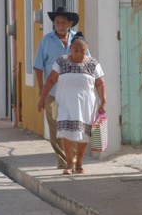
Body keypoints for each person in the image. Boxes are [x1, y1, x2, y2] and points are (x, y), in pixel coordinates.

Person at [37, 32, 106, 175]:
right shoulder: (61, 62)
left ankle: (79, 163)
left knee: (83, 134)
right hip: (65, 103)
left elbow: (100, 83)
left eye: (82, 50)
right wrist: (42, 98)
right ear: (70, 49)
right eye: (76, 50)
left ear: (87, 48)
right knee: (65, 132)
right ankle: (69, 163)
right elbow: (51, 80)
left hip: (86, 105)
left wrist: (103, 101)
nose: (79, 53)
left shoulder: (93, 63)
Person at [33, 6, 83, 169]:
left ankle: (73, 159)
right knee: (56, 127)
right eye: (56, 22)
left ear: (70, 23)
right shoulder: (46, 41)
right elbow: (38, 67)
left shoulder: (78, 39)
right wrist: (42, 91)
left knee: (74, 125)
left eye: (63, 22)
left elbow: (87, 62)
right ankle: (63, 161)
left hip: (74, 92)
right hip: (53, 93)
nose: (59, 24)